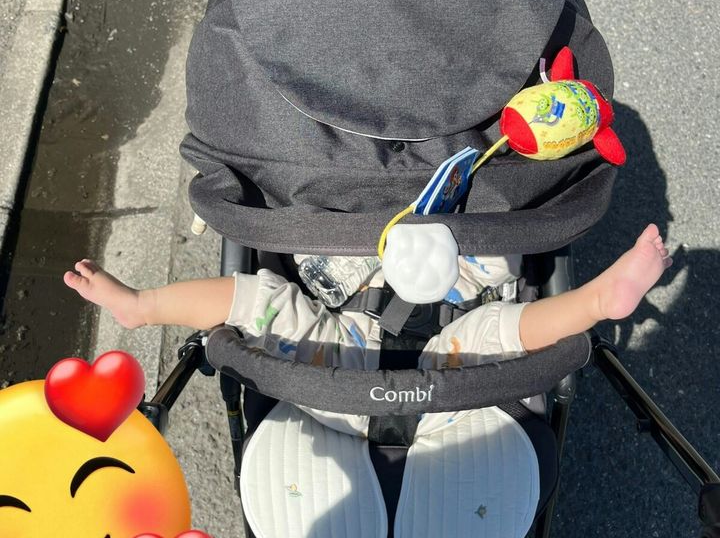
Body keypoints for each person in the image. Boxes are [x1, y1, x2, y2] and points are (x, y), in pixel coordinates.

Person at [64, 223, 671, 372]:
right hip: (439, 392)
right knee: (502, 320)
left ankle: (142, 308)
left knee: (261, 303)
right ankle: (596, 301)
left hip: (347, 375)